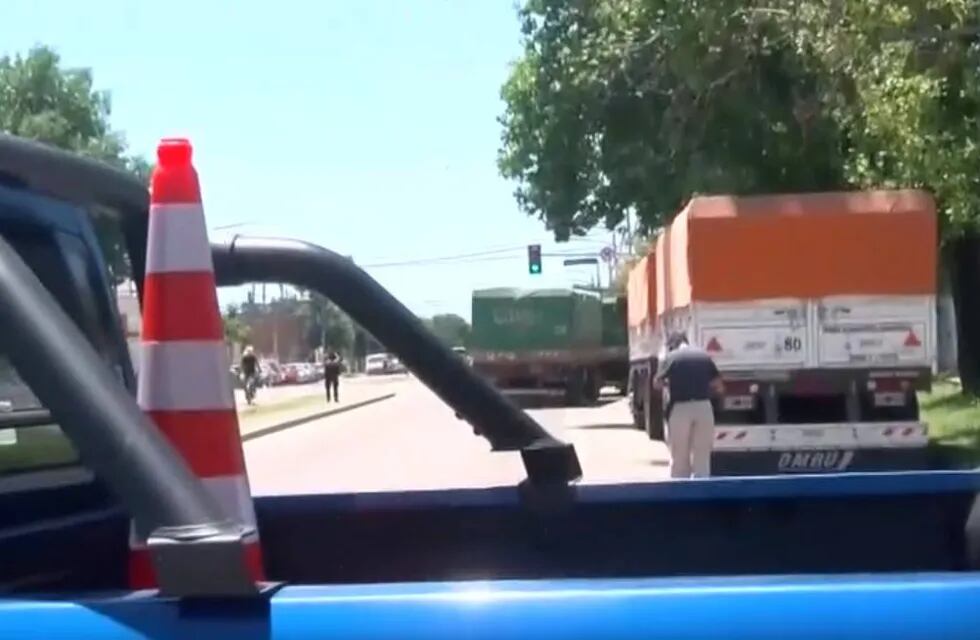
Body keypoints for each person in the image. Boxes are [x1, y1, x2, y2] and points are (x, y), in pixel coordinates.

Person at [653, 332, 724, 479]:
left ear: (672, 346)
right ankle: (702, 492)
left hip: (680, 409)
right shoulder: (703, 356)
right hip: (704, 408)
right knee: (702, 456)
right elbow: (718, 385)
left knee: (679, 456)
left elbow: (657, 384)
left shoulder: (671, 357)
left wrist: (670, 384)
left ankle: (679, 493)